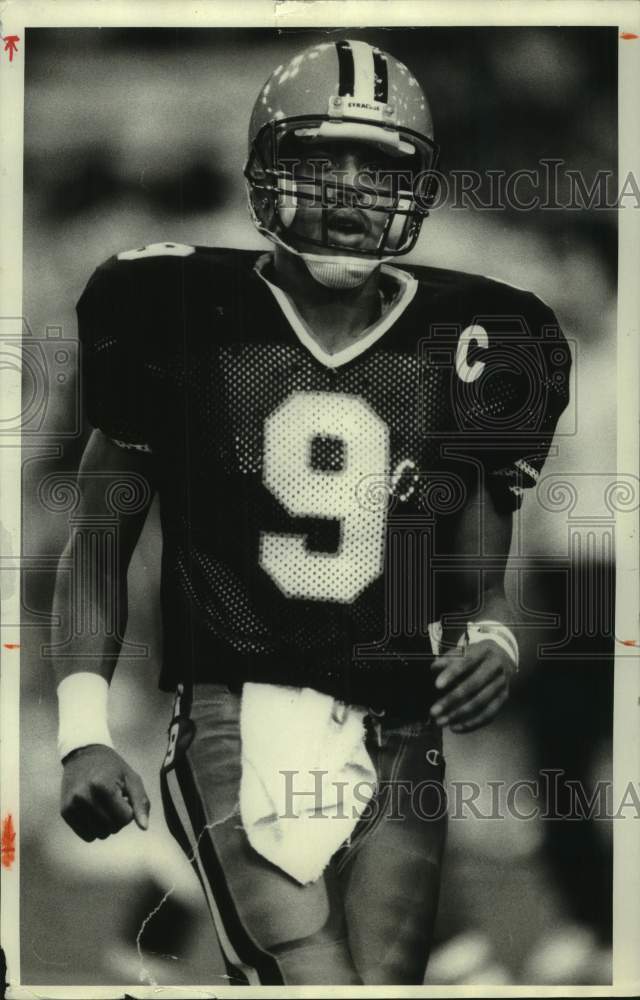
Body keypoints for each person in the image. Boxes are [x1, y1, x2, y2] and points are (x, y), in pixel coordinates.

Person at [53, 38, 571, 985]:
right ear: (267, 168)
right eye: (319, 161)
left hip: (403, 733)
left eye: (377, 169)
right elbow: (98, 535)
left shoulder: (480, 341)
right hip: (231, 721)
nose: (345, 192)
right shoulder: (175, 309)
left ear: (416, 188)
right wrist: (83, 726)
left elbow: (480, 588)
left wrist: (490, 643)